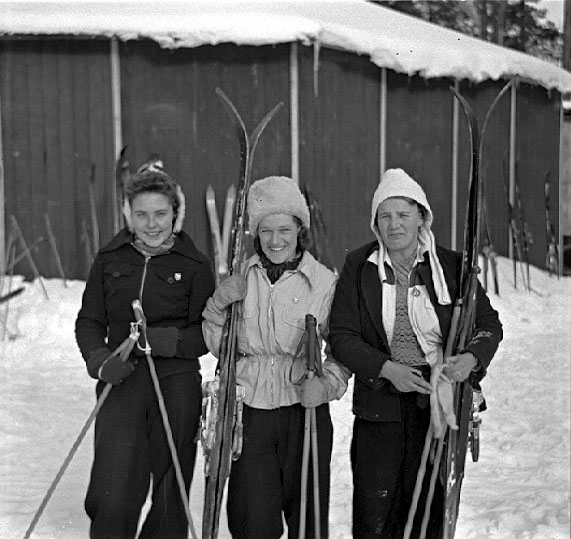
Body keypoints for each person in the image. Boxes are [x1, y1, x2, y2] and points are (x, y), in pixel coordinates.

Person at [328, 168, 503, 539]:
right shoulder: (359, 267)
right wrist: (387, 368)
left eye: (403, 215)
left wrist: (470, 359)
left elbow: (488, 324)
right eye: (385, 216)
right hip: (379, 403)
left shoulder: (451, 267)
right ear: (375, 222)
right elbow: (342, 336)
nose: (394, 225)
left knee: (429, 508)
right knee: (376, 510)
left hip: (436, 402)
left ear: (422, 216)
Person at [202, 176, 350, 539]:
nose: (275, 240)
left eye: (284, 229)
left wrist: (326, 385)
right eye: (266, 230)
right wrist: (219, 305)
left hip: (304, 409)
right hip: (249, 412)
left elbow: (343, 349)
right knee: (252, 521)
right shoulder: (240, 277)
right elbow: (220, 345)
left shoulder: (324, 283)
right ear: (255, 233)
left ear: (300, 229)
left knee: (307, 520)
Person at [75, 163, 215, 539]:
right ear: (129, 215)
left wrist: (168, 340)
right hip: (122, 377)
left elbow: (207, 333)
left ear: (175, 214)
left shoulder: (195, 264)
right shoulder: (110, 259)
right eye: (141, 215)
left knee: (171, 483)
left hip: (176, 380)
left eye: (160, 214)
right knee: (113, 481)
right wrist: (100, 361)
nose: (151, 224)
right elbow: (89, 321)